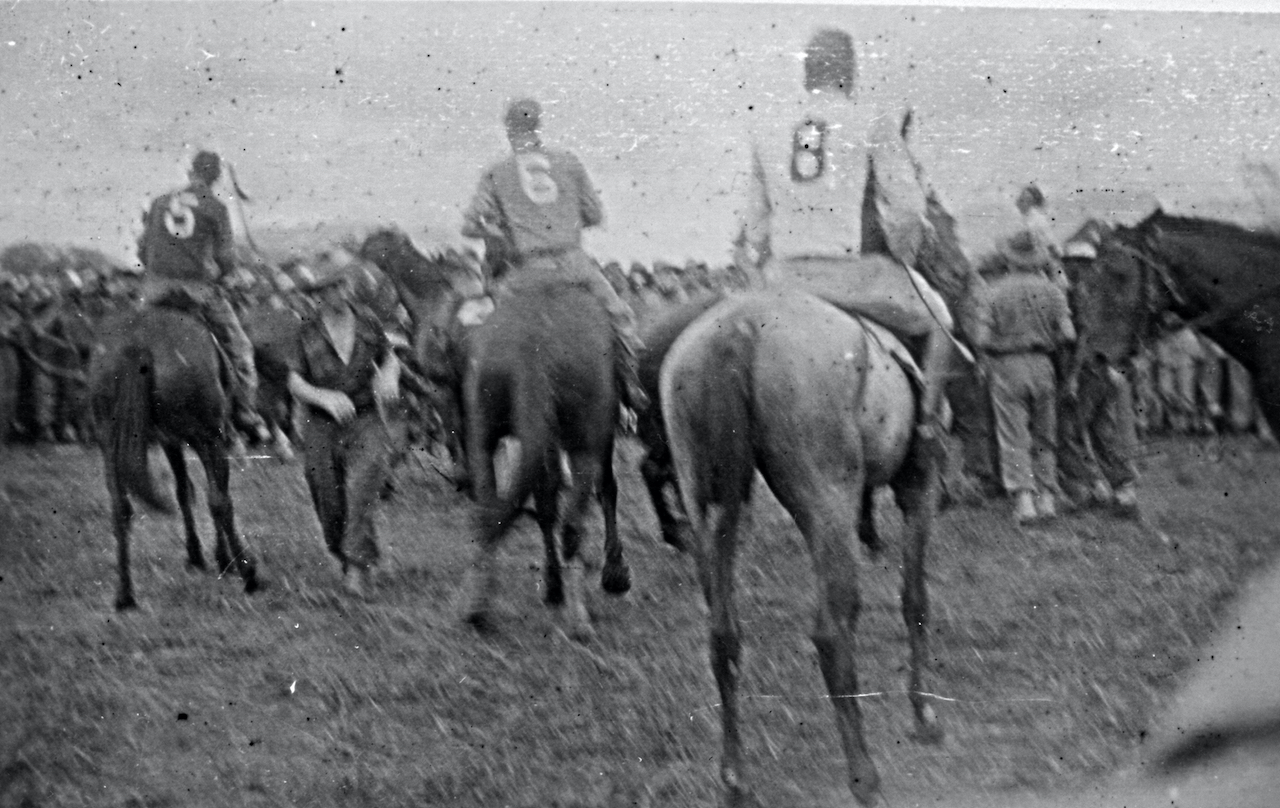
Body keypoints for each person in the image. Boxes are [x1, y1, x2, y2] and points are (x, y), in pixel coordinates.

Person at [734, 27, 955, 451]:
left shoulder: (766, 127)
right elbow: (908, 210)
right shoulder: (872, 120)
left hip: (783, 278)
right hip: (852, 273)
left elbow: (755, 226)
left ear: (807, 73)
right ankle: (927, 432)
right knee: (941, 320)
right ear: (850, 73)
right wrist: (902, 255)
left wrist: (764, 261)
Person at [461, 98, 648, 412]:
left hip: (526, 272)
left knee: (484, 326)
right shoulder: (568, 162)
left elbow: (470, 225)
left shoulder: (497, 172)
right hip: (574, 264)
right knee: (620, 318)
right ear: (538, 125)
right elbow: (594, 214)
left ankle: (485, 401)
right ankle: (630, 386)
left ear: (509, 130)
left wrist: (505, 232)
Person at [285, 262, 405, 598]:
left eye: (341, 285)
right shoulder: (306, 330)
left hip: (365, 416)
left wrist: (389, 375)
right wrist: (322, 396)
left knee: (363, 483)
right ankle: (347, 552)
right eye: (329, 289)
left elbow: (389, 356)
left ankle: (357, 567)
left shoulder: (367, 320)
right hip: (321, 422)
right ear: (318, 295)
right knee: (326, 493)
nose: (338, 293)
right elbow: (294, 380)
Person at [138, 150, 269, 443]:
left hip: (154, 292)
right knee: (241, 349)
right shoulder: (217, 208)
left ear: (190, 172)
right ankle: (246, 412)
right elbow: (227, 260)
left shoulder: (159, 202)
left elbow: (142, 251)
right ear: (216, 177)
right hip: (195, 293)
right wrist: (223, 275)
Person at [970, 231, 1077, 524]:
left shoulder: (992, 291)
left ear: (1009, 258)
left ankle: (1025, 501)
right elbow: (1068, 334)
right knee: (1045, 434)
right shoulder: (1053, 291)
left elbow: (981, 338)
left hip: (1006, 365)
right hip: (1044, 364)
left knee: (1013, 434)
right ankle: (1048, 499)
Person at [1056, 228, 1140, 516]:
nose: (1066, 267)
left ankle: (1090, 487)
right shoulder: (1106, 288)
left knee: (1068, 432)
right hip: (1107, 365)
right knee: (1103, 431)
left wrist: (1072, 377)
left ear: (1076, 262)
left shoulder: (1082, 289)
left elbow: (1085, 336)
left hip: (1088, 367)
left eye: (1069, 262)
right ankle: (1123, 490)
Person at [1016, 183, 1069, 289]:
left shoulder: (1035, 219)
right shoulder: (1027, 219)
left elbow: (1048, 242)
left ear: (1031, 202)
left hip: (1039, 257)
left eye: (1024, 200)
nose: (1019, 202)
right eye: (1021, 199)